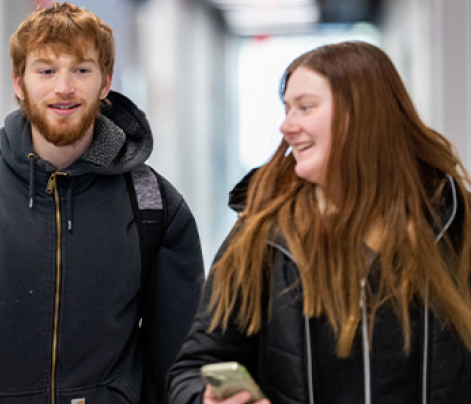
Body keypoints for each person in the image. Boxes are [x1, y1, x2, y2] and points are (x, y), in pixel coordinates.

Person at [0, 3, 204, 404]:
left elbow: (175, 360)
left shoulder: (154, 207)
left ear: (105, 83)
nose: (63, 87)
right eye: (46, 71)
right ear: (19, 83)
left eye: (81, 70)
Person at [167, 41, 471, 404]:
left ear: (365, 113)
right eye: (286, 109)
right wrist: (205, 398)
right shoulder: (263, 233)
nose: (286, 126)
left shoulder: (454, 223)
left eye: (305, 108)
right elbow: (196, 366)